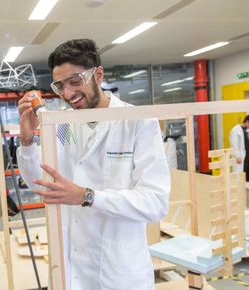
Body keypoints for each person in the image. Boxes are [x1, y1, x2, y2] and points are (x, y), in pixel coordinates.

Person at [16, 39, 170, 290]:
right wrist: (26, 141)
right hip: (72, 269)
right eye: (60, 86)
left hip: (119, 272)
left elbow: (155, 203)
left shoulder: (137, 122)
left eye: (75, 81)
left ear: (98, 75)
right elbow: (41, 184)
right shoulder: (63, 125)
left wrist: (86, 196)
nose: (67, 94)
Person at [229, 114, 249, 182]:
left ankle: (246, 187)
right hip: (241, 157)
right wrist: (237, 156)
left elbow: (247, 141)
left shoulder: (247, 130)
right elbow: (234, 144)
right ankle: (240, 189)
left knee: (247, 174)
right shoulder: (236, 130)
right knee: (240, 174)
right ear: (247, 121)